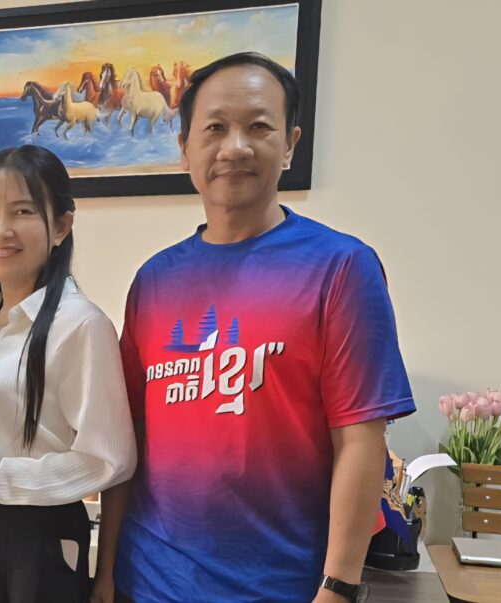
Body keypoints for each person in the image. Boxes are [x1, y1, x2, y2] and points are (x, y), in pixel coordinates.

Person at [93, 53, 416, 603]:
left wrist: (338, 587)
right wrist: (106, 574)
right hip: (147, 581)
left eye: (259, 127)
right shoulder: (153, 280)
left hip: (281, 587)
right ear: (185, 149)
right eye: (215, 128)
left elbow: (361, 440)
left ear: (290, 144)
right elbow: (130, 437)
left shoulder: (342, 267)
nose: (235, 147)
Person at [0, 145, 137, 603]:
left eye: (22, 211)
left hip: (35, 541)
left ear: (61, 226)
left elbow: (106, 461)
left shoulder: (81, 325)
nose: (1, 230)